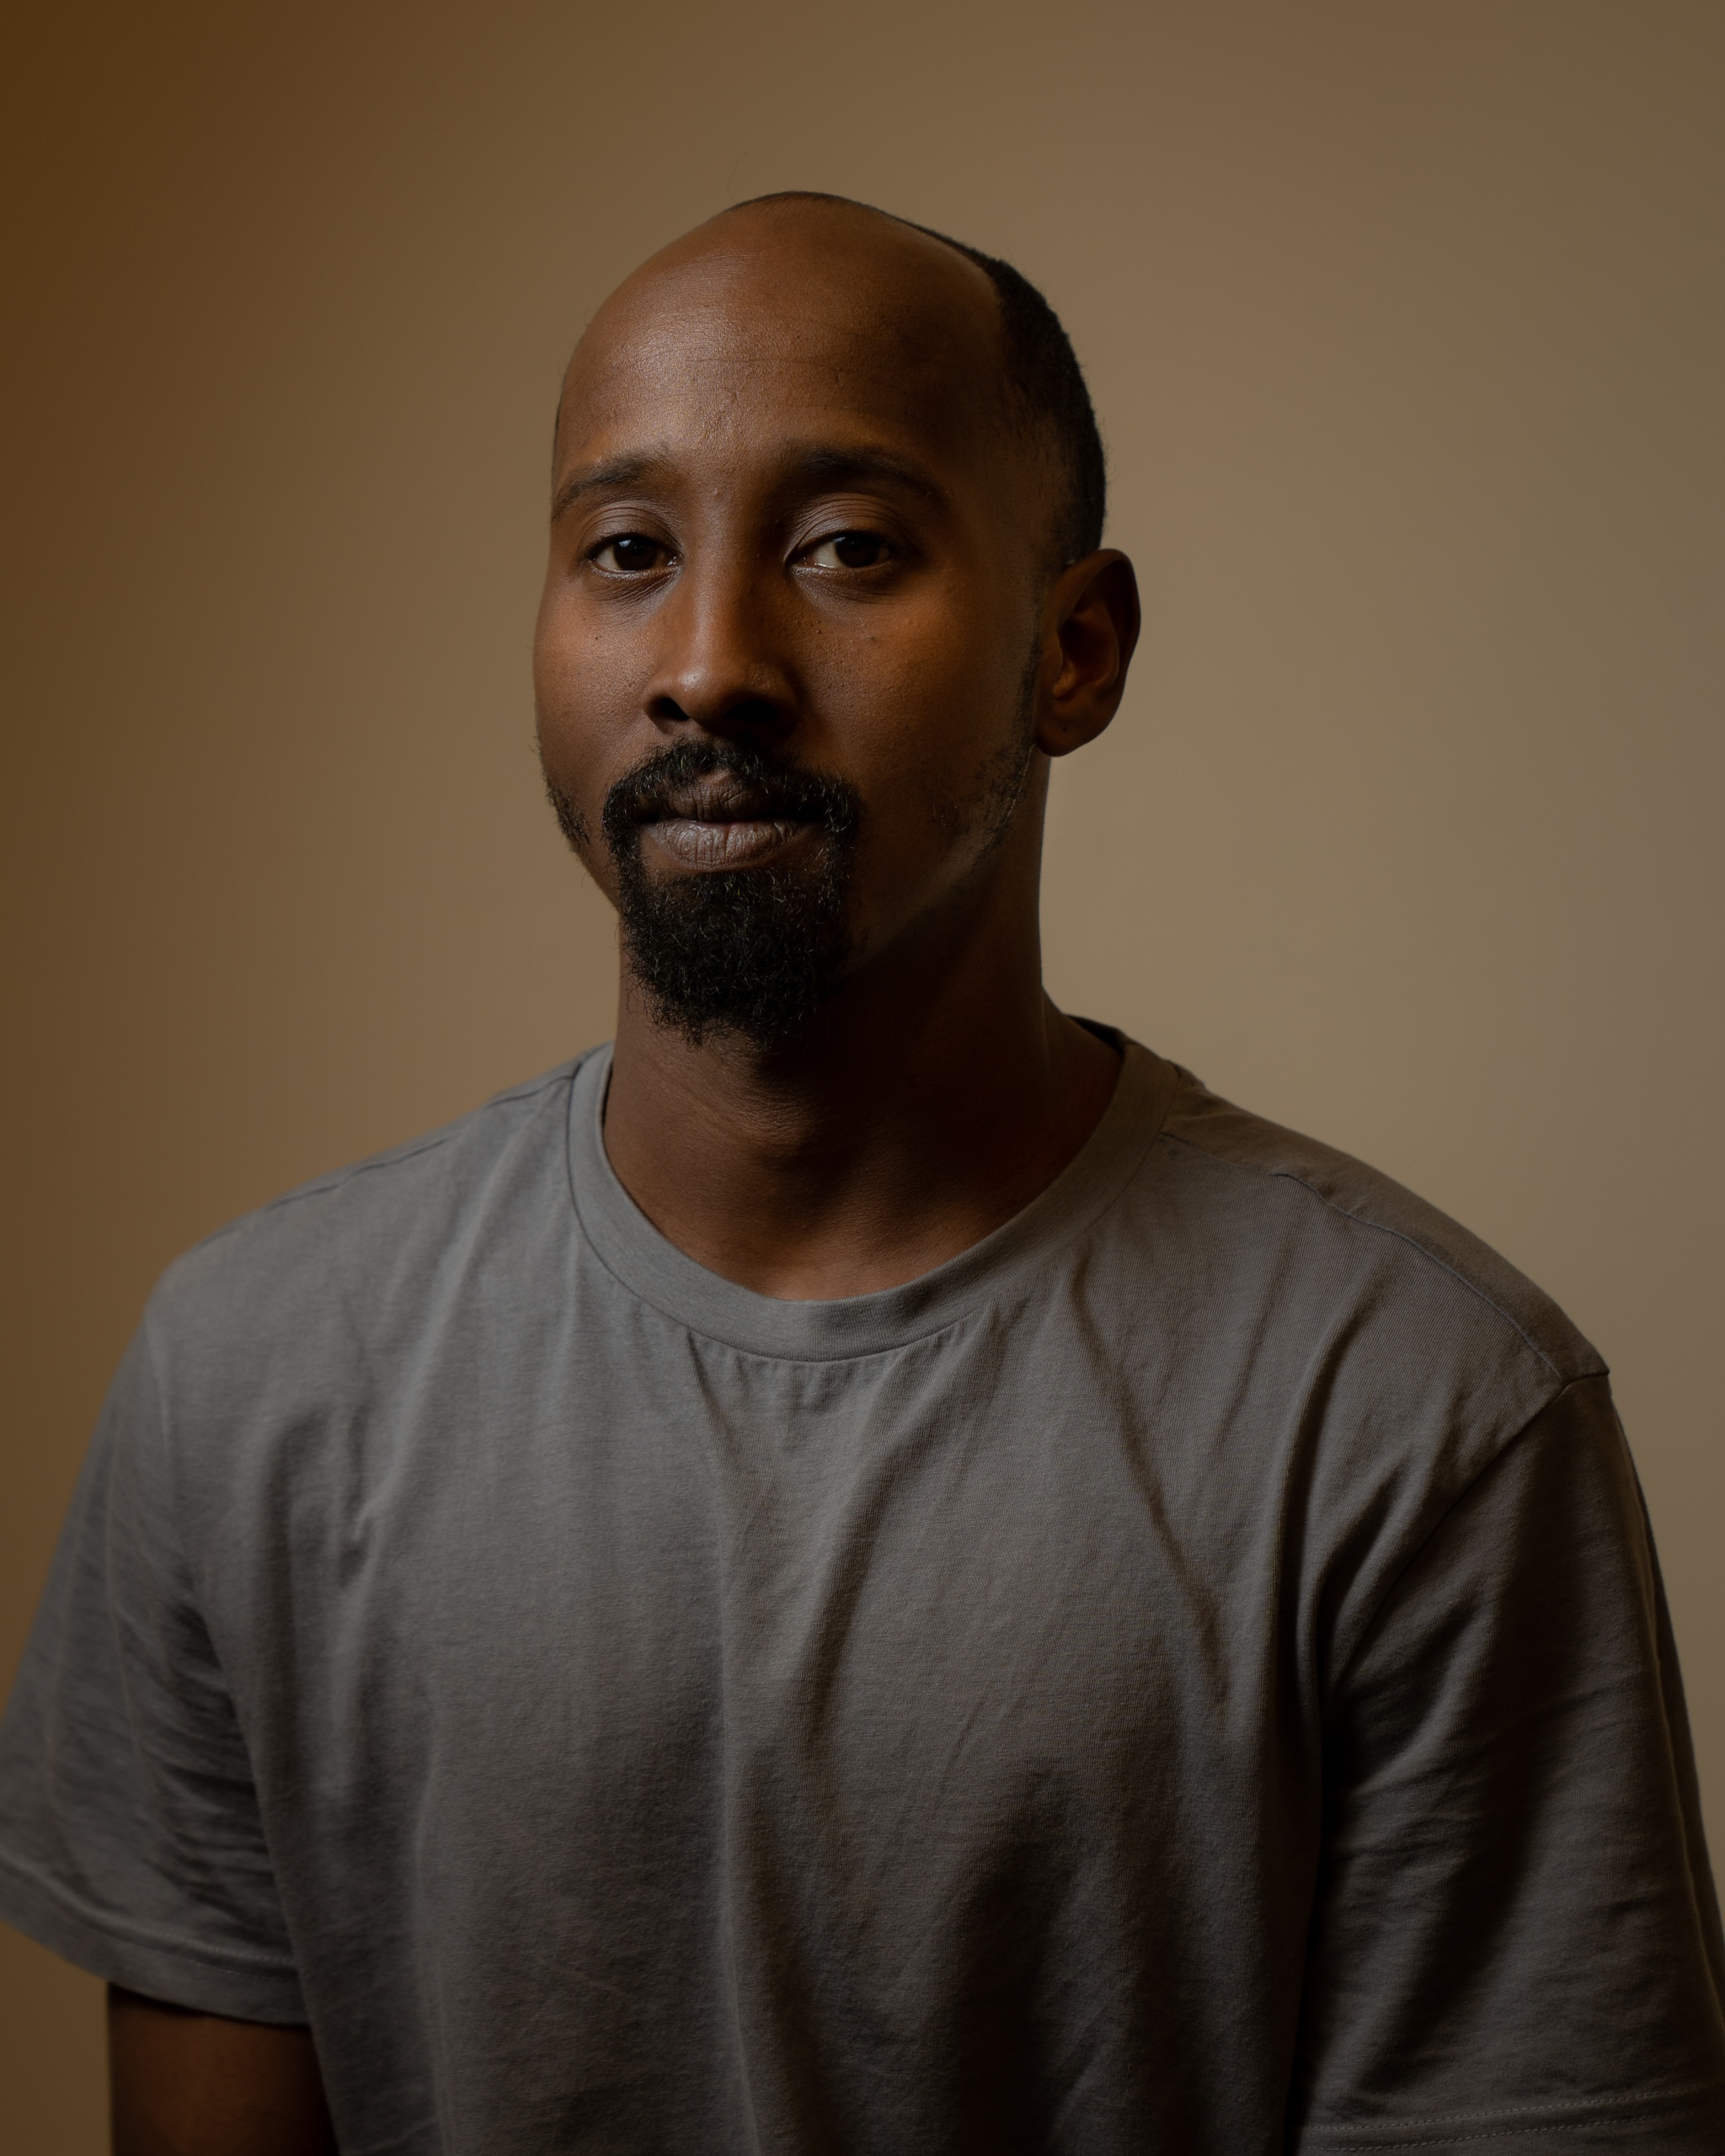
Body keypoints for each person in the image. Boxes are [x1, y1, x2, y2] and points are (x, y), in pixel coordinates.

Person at [1, 192, 1721, 2156]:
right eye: (627, 551)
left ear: (1073, 650)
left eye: (845, 549)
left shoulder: (1420, 1418)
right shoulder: (249, 1380)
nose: (711, 661)